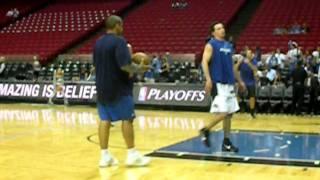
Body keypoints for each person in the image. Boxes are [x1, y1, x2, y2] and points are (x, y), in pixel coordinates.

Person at [93, 15, 150, 168]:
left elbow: (96, 65)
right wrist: (140, 69)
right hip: (119, 87)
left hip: (102, 87)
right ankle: (132, 154)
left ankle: (104, 156)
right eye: (121, 25)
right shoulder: (120, 41)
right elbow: (125, 66)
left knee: (105, 120)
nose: (122, 28)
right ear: (117, 25)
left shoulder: (98, 43)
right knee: (127, 119)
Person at [200, 21, 245, 152]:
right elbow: (204, 61)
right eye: (218, 28)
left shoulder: (229, 46)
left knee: (229, 114)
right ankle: (205, 130)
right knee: (223, 112)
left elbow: (232, 66)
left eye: (223, 27)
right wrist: (208, 79)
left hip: (229, 83)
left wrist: (240, 81)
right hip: (218, 83)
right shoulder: (211, 45)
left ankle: (226, 142)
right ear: (213, 33)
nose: (222, 30)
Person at [236, 49, 258, 118]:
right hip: (242, 82)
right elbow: (235, 69)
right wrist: (239, 62)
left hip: (251, 82)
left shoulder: (254, 61)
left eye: (249, 53)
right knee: (238, 96)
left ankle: (252, 111)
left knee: (252, 96)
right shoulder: (242, 61)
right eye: (247, 53)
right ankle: (234, 109)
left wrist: (248, 63)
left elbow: (255, 69)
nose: (248, 54)